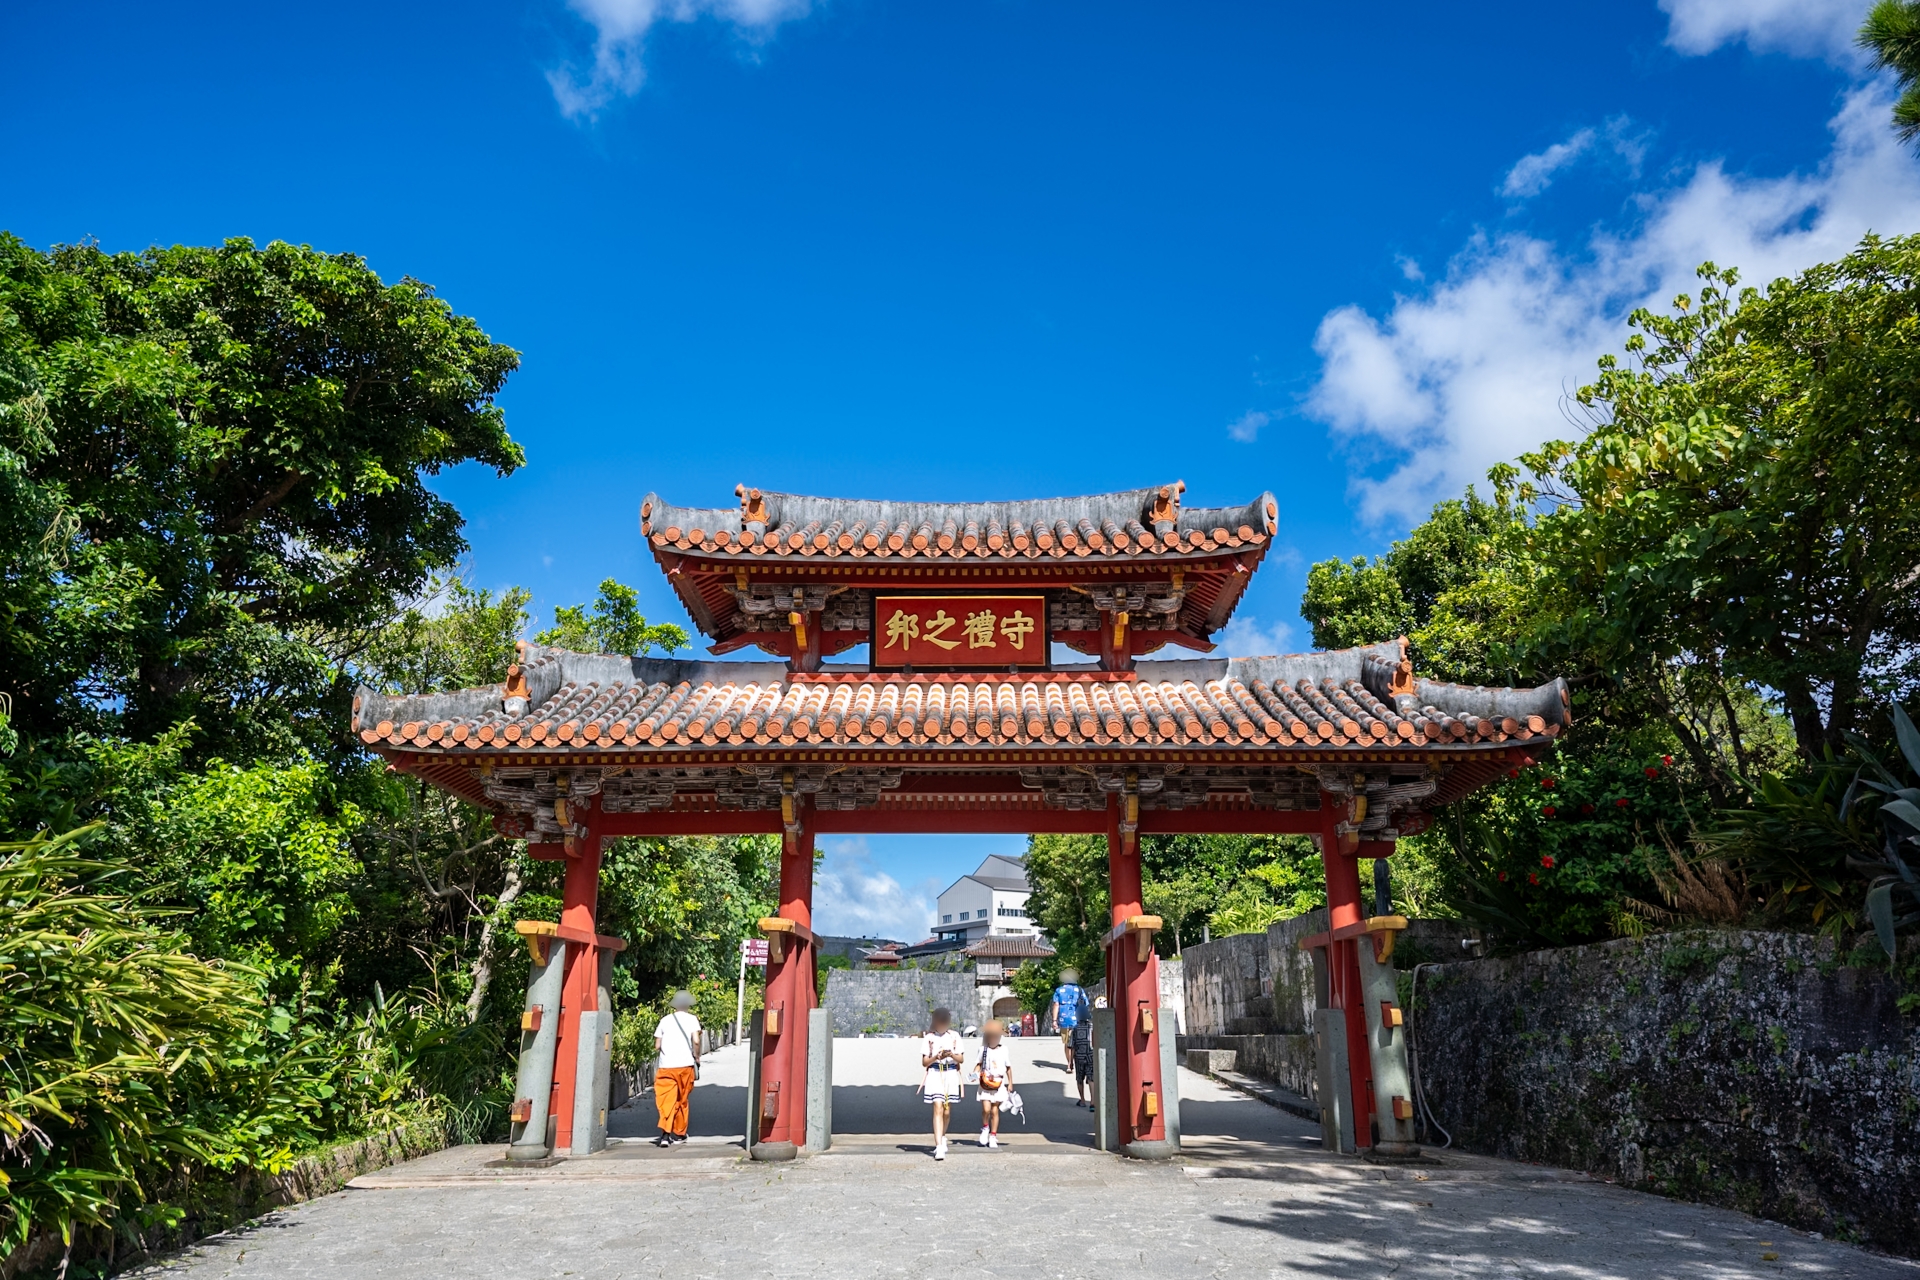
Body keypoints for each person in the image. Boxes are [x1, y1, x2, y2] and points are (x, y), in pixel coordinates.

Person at [651, 990, 701, 1147]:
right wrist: (697, 1056)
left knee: (666, 1100)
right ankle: (680, 1133)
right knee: (682, 1099)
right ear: (687, 1004)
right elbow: (696, 1040)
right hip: (685, 1066)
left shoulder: (665, 1020)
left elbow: (657, 1045)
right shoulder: (692, 1019)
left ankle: (665, 1135)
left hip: (666, 1067)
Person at [920, 1006, 965, 1160]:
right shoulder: (929, 1038)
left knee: (946, 1110)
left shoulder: (954, 1036)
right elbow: (924, 1062)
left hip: (950, 1073)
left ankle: (943, 1135)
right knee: (938, 1107)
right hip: (935, 1073)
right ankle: (938, 1146)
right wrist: (936, 1057)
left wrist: (951, 1053)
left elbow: (961, 1059)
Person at [973, 1019, 1014, 1148]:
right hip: (985, 1083)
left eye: (996, 1036)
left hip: (998, 1082)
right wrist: (974, 1074)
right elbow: (978, 1064)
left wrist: (1010, 1083)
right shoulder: (983, 1050)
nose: (994, 1038)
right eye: (991, 1035)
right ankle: (985, 1128)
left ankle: (993, 1135)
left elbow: (1008, 1067)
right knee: (986, 1109)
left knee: (995, 1110)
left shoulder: (1004, 1050)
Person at [1050, 968, 1090, 1067]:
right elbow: (1086, 1004)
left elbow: (1056, 1005)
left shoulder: (1059, 990)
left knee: (1067, 1042)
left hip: (1064, 1020)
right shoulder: (1080, 990)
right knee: (1077, 1042)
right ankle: (1074, 1061)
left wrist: (1054, 1021)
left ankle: (1069, 1063)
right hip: (1078, 1020)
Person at [1071, 1019, 1094, 1108]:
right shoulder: (1092, 1026)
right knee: (1091, 1078)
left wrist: (1070, 1062)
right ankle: (1092, 1102)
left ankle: (1083, 1100)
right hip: (1091, 1056)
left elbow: (1072, 1045)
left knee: (1080, 1078)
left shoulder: (1075, 1028)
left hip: (1079, 1056)